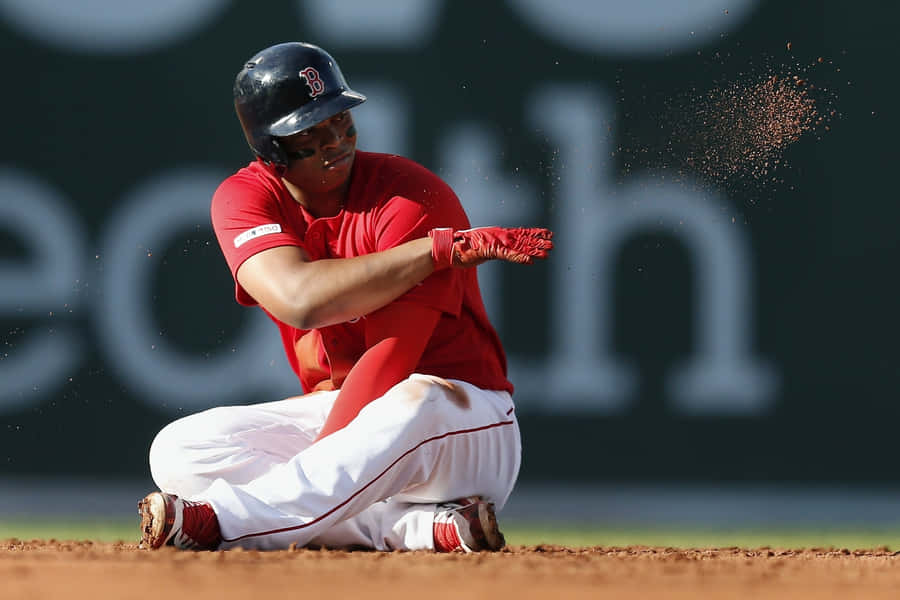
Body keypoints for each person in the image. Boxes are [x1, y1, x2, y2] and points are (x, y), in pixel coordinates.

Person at [137, 41, 553, 553]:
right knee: (180, 449)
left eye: (340, 119)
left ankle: (221, 523)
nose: (335, 139)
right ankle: (417, 529)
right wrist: (436, 251)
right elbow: (299, 298)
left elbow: (390, 363)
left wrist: (318, 471)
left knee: (413, 400)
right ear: (270, 148)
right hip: (349, 416)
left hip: (462, 422)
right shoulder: (245, 198)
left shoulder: (412, 198)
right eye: (309, 131)